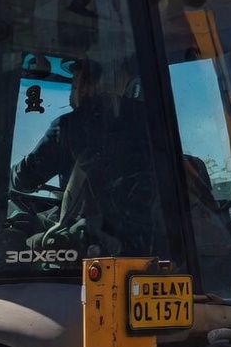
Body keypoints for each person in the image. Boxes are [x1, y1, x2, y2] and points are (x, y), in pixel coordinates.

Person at [10, 58, 160, 256]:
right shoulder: (152, 121)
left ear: (85, 88)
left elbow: (24, 180)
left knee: (12, 234)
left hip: (94, 242)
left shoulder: (68, 126)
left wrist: (10, 173)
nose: (71, 95)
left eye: (73, 86)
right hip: (149, 239)